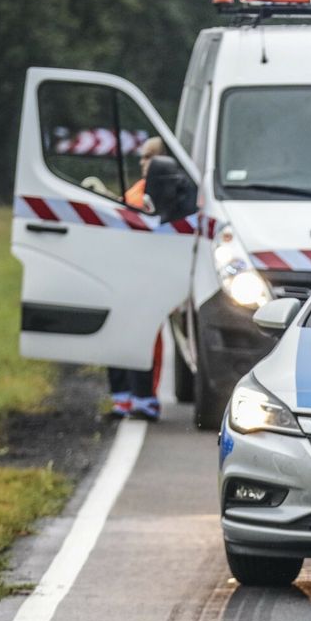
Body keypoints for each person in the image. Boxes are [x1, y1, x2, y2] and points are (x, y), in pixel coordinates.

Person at [108, 138, 197, 420]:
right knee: (120, 334)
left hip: (151, 275)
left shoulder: (172, 192)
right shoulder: (136, 190)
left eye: (149, 157)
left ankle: (145, 399)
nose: (142, 163)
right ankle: (123, 398)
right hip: (128, 272)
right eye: (142, 158)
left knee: (145, 336)